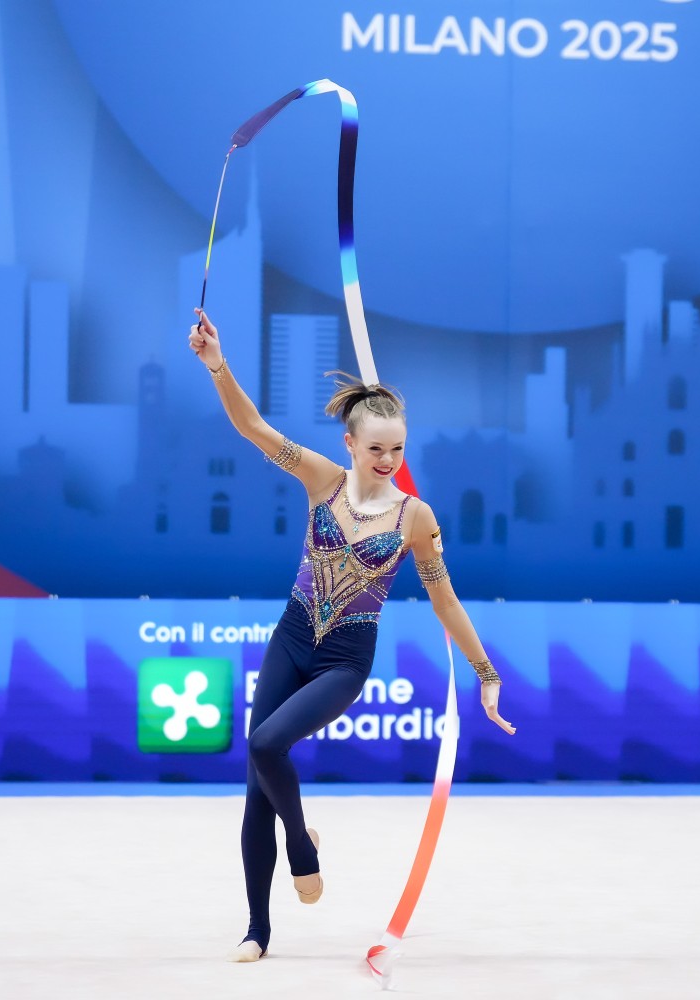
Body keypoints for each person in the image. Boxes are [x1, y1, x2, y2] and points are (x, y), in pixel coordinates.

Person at [188, 308, 516, 964]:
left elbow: (445, 600)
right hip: (292, 638)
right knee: (257, 781)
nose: (389, 460)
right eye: (376, 449)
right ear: (350, 444)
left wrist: (486, 672)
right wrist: (217, 365)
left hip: (344, 658)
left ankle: (300, 846)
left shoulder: (415, 517)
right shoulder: (322, 480)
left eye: (398, 449)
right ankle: (258, 928)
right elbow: (253, 428)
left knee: (266, 742)